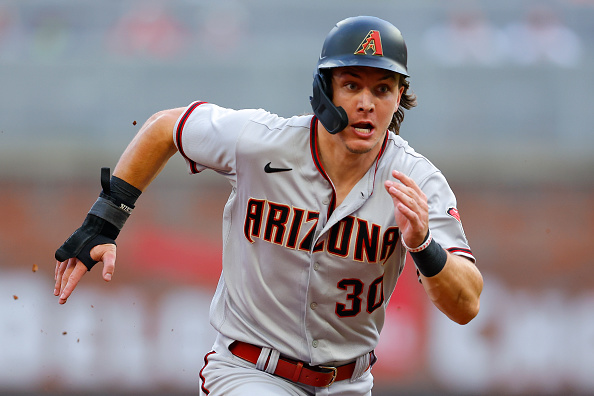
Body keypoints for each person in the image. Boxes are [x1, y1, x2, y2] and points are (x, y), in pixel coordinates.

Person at [54, 16, 483, 396]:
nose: (367, 103)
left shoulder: (417, 182)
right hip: (248, 371)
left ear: (399, 97)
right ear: (324, 90)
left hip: (349, 382)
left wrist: (424, 244)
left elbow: (467, 305)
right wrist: (106, 219)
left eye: (382, 88)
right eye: (351, 84)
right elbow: (166, 127)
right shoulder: (262, 142)